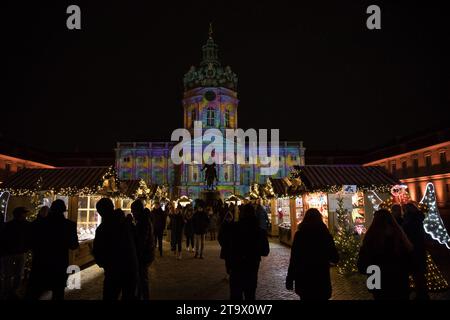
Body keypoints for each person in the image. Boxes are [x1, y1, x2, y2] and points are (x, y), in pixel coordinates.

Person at [27, 200, 79, 300]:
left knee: (34, 292)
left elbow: (30, 242)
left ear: (51, 209)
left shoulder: (38, 223)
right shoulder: (69, 225)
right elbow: (73, 245)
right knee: (58, 293)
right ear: (64, 210)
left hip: (40, 263)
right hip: (59, 264)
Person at [357, 209, 413, 300]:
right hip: (398, 280)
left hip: (377, 279)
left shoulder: (371, 237)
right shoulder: (399, 235)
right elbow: (409, 259)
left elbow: (363, 263)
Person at [286, 208, 339, 300]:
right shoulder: (325, 235)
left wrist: (290, 278)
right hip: (321, 278)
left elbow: (294, 259)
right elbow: (334, 257)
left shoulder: (300, 235)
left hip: (304, 278)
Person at [93, 199, 138, 300]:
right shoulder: (126, 223)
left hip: (113, 270)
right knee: (129, 296)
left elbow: (98, 252)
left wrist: (102, 262)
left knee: (110, 296)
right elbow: (136, 241)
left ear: (101, 212)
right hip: (130, 267)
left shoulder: (103, 229)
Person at [225, 204, 270, 300]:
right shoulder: (259, 230)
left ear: (241, 213)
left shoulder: (234, 228)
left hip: (236, 267)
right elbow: (265, 251)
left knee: (236, 295)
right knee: (250, 295)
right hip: (252, 267)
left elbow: (226, 245)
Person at [0, 207, 31, 300]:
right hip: (18, 252)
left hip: (9, 253)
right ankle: (14, 291)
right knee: (18, 273)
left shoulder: (8, 225)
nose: (26, 215)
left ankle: (8, 292)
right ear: (21, 214)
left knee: (8, 274)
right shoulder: (26, 225)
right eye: (24, 213)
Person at [402, 203, 429, 300]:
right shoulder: (418, 218)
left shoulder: (410, 219)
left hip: (414, 249)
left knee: (417, 273)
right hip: (419, 248)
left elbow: (407, 232)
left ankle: (421, 294)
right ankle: (423, 294)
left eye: (404, 209)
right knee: (419, 274)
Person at [131, 200, 155, 300]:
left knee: (142, 278)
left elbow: (141, 241)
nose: (132, 213)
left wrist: (137, 256)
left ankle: (144, 297)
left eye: (133, 211)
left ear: (137, 211)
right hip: (147, 254)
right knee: (141, 278)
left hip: (144, 256)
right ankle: (140, 295)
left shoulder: (143, 222)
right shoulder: (143, 220)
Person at [218, 209, 234, 280]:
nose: (229, 219)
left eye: (230, 218)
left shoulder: (233, 225)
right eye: (228, 218)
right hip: (227, 246)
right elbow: (220, 237)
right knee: (228, 261)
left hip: (231, 246)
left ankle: (230, 273)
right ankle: (228, 273)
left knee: (230, 261)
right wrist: (223, 244)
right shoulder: (224, 225)